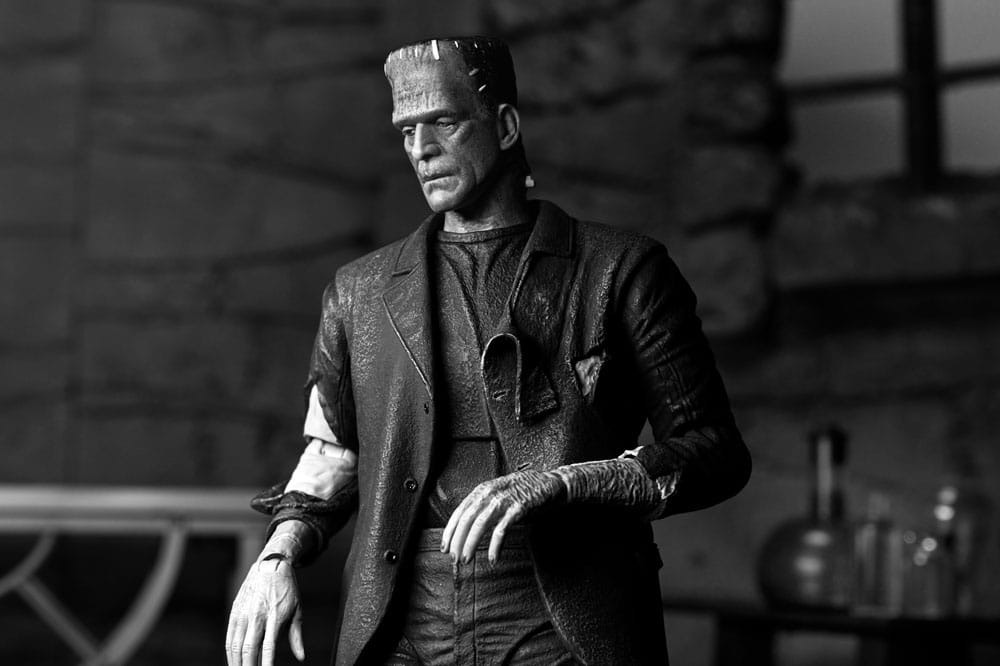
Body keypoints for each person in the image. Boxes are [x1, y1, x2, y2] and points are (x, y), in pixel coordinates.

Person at [226, 36, 750, 666]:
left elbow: (715, 451)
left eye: (444, 122)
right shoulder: (358, 292)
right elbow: (332, 454)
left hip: (567, 616)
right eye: (407, 131)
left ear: (504, 126)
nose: (421, 149)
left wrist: (567, 483)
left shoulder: (621, 270)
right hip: (404, 619)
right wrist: (277, 556)